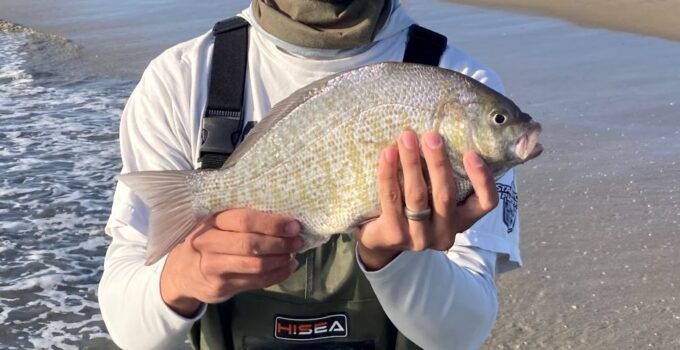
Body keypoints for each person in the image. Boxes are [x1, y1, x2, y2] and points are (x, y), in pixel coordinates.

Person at [98, 1, 523, 349]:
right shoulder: (180, 80)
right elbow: (131, 329)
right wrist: (184, 277)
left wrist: (395, 258)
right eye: (500, 121)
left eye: (500, 121)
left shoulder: (461, 82)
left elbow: (462, 334)